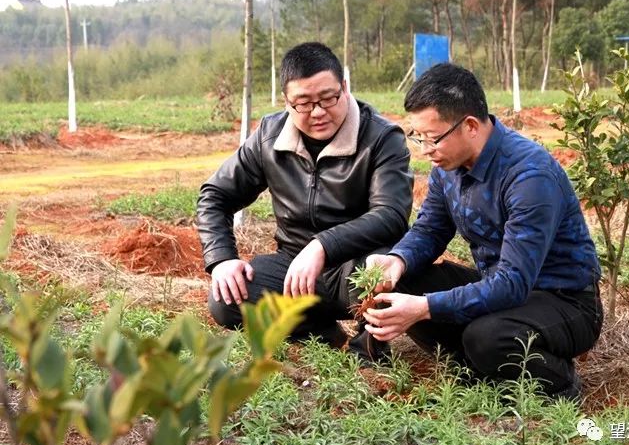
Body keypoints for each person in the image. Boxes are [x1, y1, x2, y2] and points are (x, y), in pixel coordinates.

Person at [363, 63, 603, 400]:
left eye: (432, 139)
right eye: (418, 138)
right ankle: (480, 366)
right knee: (403, 283)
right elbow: (430, 229)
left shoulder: (528, 175)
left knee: (486, 337)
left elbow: (513, 283)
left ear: (471, 126)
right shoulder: (447, 167)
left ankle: (558, 381)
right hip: (500, 287)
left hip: (563, 299)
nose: (425, 151)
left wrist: (424, 308)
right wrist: (397, 261)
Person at [197, 42, 413, 356]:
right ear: (286, 102)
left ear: (345, 87)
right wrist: (222, 259)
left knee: (378, 271)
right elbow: (215, 195)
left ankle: (368, 354)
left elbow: (391, 214)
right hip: (294, 267)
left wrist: (323, 245)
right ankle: (322, 331)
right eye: (304, 103)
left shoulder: (381, 138)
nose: (319, 112)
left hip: (356, 265)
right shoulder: (269, 137)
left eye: (328, 98)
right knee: (226, 301)